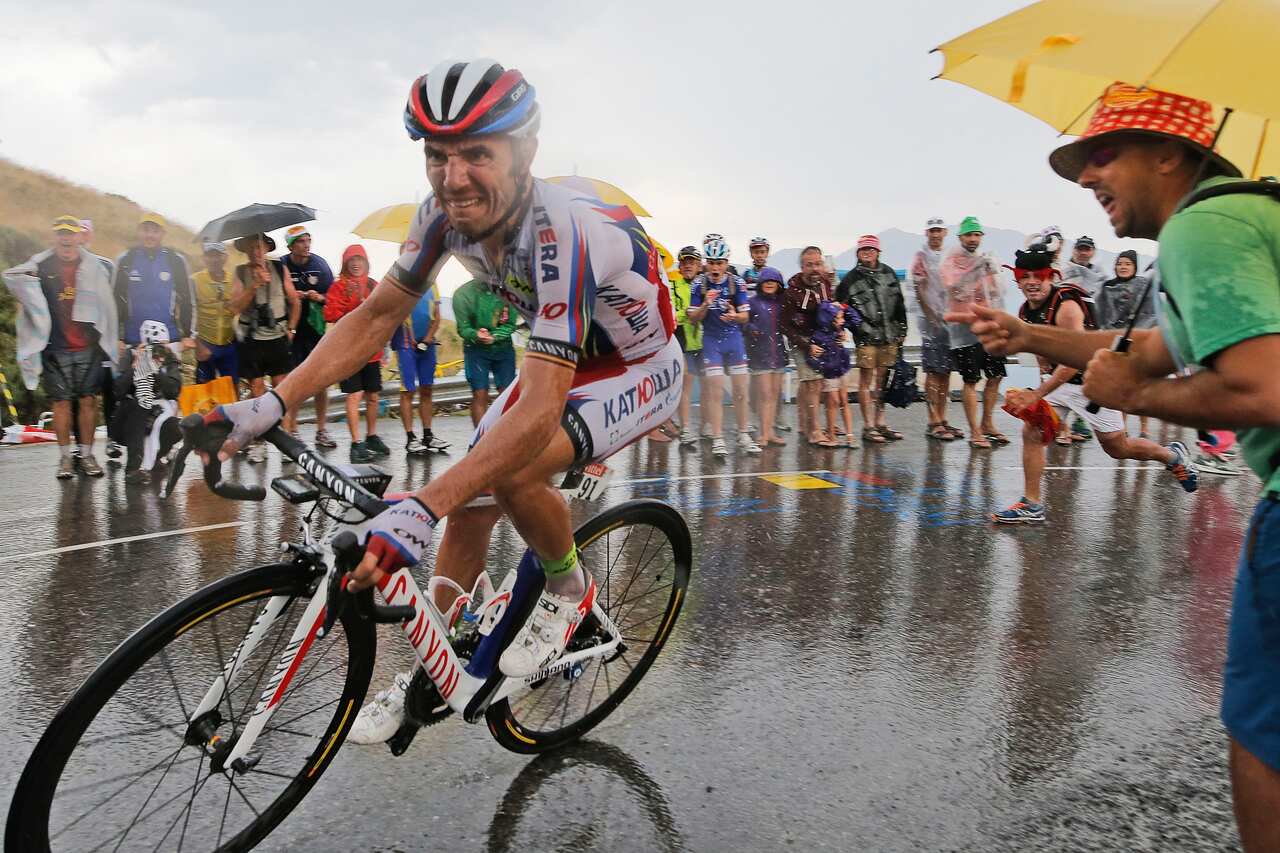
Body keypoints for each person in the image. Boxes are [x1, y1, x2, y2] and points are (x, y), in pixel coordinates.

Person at [203, 60, 683, 743]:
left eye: (477, 154)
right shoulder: (440, 218)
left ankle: (570, 593)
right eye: (437, 155)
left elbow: (542, 406)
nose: (453, 178)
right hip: (563, 359)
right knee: (471, 501)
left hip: (637, 366)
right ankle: (439, 664)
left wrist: (419, 509)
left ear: (526, 153)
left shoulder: (562, 230)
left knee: (506, 469)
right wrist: (273, 403)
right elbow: (375, 317)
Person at [949, 83, 1280, 849]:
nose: (1086, 176)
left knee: (1263, 731)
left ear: (1170, 155)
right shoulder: (1248, 217)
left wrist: (1137, 393)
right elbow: (1146, 350)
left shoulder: (1209, 224)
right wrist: (1026, 334)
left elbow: (1261, 385)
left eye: (1103, 154)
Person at [985, 243, 1198, 523]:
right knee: (1032, 433)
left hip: (1093, 383)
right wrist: (1042, 370)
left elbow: (1073, 359)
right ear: (1018, 279)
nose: (1032, 283)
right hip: (1059, 385)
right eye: (1025, 277)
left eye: (1039, 276)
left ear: (1051, 276)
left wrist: (1037, 393)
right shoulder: (1026, 310)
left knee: (1117, 448)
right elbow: (1039, 345)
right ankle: (1032, 504)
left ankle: (1171, 456)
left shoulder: (1067, 307)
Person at [3, 215, 118, 478]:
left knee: (88, 402)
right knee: (61, 404)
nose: (66, 239)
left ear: (79, 236)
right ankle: (65, 459)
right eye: (61, 233)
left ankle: (87, 456)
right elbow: (14, 281)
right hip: (55, 346)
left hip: (88, 346)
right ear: (54, 237)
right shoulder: (41, 265)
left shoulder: (93, 266)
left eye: (71, 233)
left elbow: (107, 304)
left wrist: (109, 338)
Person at [228, 233, 300, 464]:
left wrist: (292, 329)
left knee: (284, 391)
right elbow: (234, 307)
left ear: (267, 248)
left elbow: (295, 301)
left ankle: (287, 439)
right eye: (251, 248)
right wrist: (255, 286)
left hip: (278, 336)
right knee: (257, 392)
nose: (256, 252)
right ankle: (259, 443)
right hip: (252, 339)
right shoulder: (240, 273)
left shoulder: (280, 268)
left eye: (259, 247)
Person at [687, 235, 761, 458]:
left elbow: (746, 317)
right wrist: (706, 304)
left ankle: (743, 434)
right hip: (711, 341)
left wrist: (734, 315)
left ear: (727, 263)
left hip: (734, 340)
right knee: (715, 391)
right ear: (705, 263)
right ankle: (718, 438)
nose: (715, 268)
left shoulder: (736, 283)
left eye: (720, 263)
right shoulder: (699, 284)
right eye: (711, 262)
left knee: (740, 391)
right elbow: (692, 318)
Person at [941, 216, 1008, 449]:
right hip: (964, 330)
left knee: (995, 375)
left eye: (977, 235)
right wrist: (976, 271)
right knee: (971, 379)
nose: (973, 239)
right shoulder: (951, 260)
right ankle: (975, 431)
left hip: (989, 327)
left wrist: (993, 272)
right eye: (969, 235)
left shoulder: (984, 259)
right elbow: (955, 289)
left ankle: (988, 423)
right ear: (960, 237)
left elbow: (996, 291)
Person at [837, 234, 907, 445]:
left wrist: (902, 328)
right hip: (866, 338)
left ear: (878, 252)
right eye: (863, 250)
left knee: (882, 381)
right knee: (866, 381)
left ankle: (880, 422)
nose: (867, 253)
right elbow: (839, 308)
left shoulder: (889, 273)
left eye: (871, 249)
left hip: (889, 335)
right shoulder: (850, 279)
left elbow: (899, 303)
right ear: (858, 253)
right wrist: (854, 327)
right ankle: (868, 426)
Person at [323, 244, 390, 463]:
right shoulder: (338, 287)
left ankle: (371, 437)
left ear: (366, 262)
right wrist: (353, 305)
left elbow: (385, 314)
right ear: (345, 263)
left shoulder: (374, 285)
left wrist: (385, 346)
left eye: (359, 259)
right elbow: (330, 314)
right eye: (351, 259)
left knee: (373, 396)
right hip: (349, 351)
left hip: (372, 350)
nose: (355, 263)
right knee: (353, 395)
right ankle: (355, 443)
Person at [280, 225, 337, 447]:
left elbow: (332, 298)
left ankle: (321, 430)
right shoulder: (282, 264)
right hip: (292, 331)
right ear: (291, 245)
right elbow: (277, 295)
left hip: (316, 330)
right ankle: (292, 429)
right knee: (294, 380)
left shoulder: (320, 265)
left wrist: (318, 297)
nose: (307, 245)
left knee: (321, 381)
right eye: (301, 242)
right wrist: (295, 296)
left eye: (308, 241)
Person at [109, 320, 183, 484]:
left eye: (162, 344)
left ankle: (153, 458)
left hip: (156, 415)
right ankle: (133, 469)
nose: (158, 350)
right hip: (127, 422)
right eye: (155, 346)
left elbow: (174, 391)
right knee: (139, 404)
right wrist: (136, 366)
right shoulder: (131, 355)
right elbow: (118, 391)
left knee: (176, 428)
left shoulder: (170, 359)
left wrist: (156, 371)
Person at [1095, 249, 1156, 438]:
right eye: (1120, 263)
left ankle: (1144, 429)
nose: (1123, 267)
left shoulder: (1143, 285)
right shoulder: (1107, 287)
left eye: (1128, 263)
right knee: (1121, 387)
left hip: (1138, 341)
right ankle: (1122, 427)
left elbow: (1150, 314)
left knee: (1140, 386)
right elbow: (1101, 314)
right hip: (1115, 342)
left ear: (1135, 267)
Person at [780, 246, 836, 445]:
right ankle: (815, 431)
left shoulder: (825, 284)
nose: (814, 268)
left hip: (822, 339)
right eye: (809, 265)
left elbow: (830, 309)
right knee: (812, 383)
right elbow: (784, 325)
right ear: (802, 267)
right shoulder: (791, 292)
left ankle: (804, 424)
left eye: (818, 264)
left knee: (811, 383)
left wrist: (838, 327)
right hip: (800, 340)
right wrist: (806, 345)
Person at [114, 213, 194, 350]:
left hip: (168, 339)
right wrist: (118, 337)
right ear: (139, 231)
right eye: (146, 230)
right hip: (132, 339)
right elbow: (117, 299)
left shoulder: (175, 260)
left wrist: (187, 335)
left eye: (155, 231)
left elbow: (186, 299)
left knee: (168, 372)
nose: (150, 235)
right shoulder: (126, 259)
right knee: (135, 372)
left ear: (163, 233)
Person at [911, 217, 959, 441]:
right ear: (926, 233)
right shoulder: (921, 257)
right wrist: (930, 316)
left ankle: (943, 417)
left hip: (951, 319)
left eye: (939, 230)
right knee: (932, 371)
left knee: (946, 371)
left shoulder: (950, 255)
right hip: (930, 322)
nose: (936, 234)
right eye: (932, 231)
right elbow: (919, 288)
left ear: (945, 233)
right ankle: (933, 420)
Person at [453, 278, 517, 426]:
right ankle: (479, 439)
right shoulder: (462, 294)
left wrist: (495, 336)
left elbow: (511, 324)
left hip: (503, 348)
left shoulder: (508, 290)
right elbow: (463, 328)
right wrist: (476, 334)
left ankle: (508, 435)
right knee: (480, 394)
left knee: (507, 394)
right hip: (475, 349)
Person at [392, 280, 447, 454]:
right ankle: (410, 438)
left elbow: (437, 316)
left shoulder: (432, 284)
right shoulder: (402, 282)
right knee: (408, 390)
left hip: (427, 343)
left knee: (427, 388)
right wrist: (413, 338)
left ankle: (428, 435)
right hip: (406, 343)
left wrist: (428, 338)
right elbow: (398, 313)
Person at [746, 267, 788, 447]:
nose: (769, 284)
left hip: (778, 354)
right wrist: (751, 329)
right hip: (759, 355)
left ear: (779, 284)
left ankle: (769, 431)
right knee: (765, 395)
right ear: (760, 284)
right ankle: (763, 433)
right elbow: (743, 323)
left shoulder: (783, 303)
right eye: (766, 281)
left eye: (773, 281)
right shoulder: (753, 302)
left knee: (774, 395)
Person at [807, 301, 855, 448]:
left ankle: (850, 435)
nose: (842, 321)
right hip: (829, 373)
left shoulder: (838, 332)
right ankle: (831, 434)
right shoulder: (818, 336)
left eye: (841, 318)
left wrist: (845, 307)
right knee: (833, 402)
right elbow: (811, 359)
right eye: (838, 318)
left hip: (841, 369)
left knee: (844, 401)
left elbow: (855, 319)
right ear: (829, 319)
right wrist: (823, 365)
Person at [191, 242, 239, 385]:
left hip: (230, 344)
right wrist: (198, 345)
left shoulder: (234, 280)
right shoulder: (194, 280)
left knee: (232, 391)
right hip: (205, 344)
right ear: (204, 258)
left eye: (218, 255)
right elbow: (185, 315)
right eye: (210, 255)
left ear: (225, 257)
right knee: (205, 394)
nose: (214, 259)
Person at [671, 245, 705, 448]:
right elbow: (675, 313)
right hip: (682, 337)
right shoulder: (673, 284)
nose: (688, 266)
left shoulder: (705, 284)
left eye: (692, 262)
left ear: (699, 265)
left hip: (705, 337)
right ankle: (685, 428)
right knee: (686, 385)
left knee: (709, 387)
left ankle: (707, 426)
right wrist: (691, 313)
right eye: (684, 262)